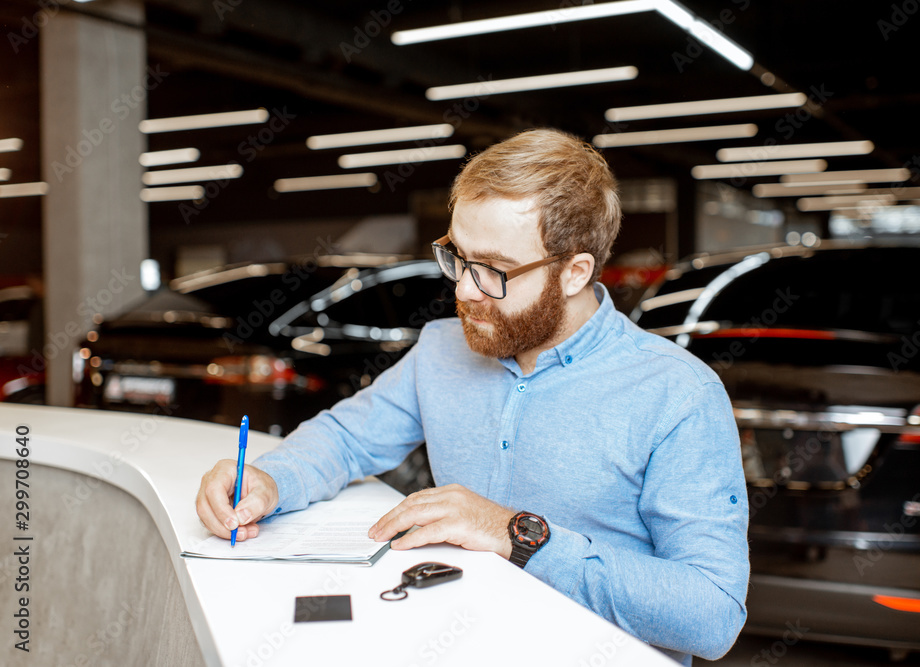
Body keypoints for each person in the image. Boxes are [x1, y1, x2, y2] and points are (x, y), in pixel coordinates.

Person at [196, 128, 749, 664]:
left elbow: (710, 615)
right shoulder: (441, 349)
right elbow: (345, 440)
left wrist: (516, 534)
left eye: (494, 270)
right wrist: (273, 479)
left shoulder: (678, 394)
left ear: (575, 272)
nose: (463, 290)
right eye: (458, 257)